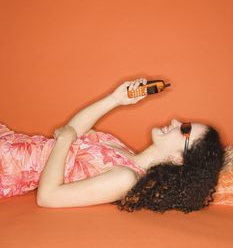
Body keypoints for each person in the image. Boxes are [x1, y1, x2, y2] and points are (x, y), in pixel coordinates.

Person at [0, 78, 225, 213]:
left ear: (179, 159)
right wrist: (116, 99)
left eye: (185, 130)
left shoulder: (124, 179)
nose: (176, 122)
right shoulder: (120, 148)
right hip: (9, 144)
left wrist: (65, 139)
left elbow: (48, 197)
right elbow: (73, 129)